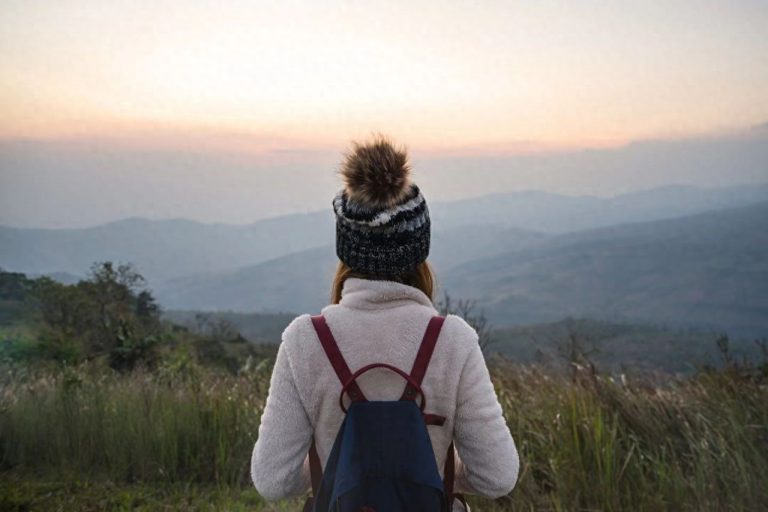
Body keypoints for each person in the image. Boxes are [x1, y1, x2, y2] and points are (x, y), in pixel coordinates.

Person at [250, 135, 519, 511]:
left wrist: (340, 468)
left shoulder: (304, 340)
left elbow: (273, 481)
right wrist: (434, 469)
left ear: (346, 250)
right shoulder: (453, 340)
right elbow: (497, 476)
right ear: (418, 251)